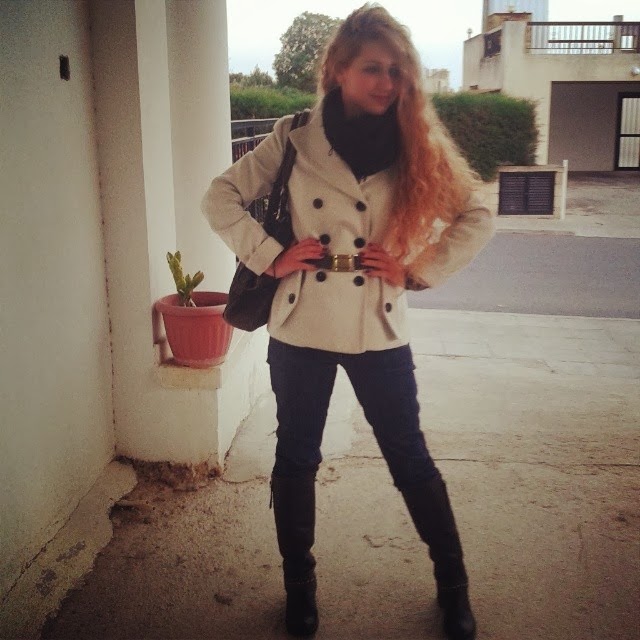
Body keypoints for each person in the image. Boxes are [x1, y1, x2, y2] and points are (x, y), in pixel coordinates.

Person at [202, 5, 495, 638]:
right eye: (372, 68)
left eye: (396, 70)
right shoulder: (294, 136)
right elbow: (219, 196)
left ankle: (454, 586)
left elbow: (477, 212)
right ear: (339, 69)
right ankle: (299, 589)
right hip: (302, 322)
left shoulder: (416, 140)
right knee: (296, 458)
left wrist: (416, 268)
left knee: (409, 457)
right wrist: (271, 255)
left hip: (378, 324)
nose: (386, 83)